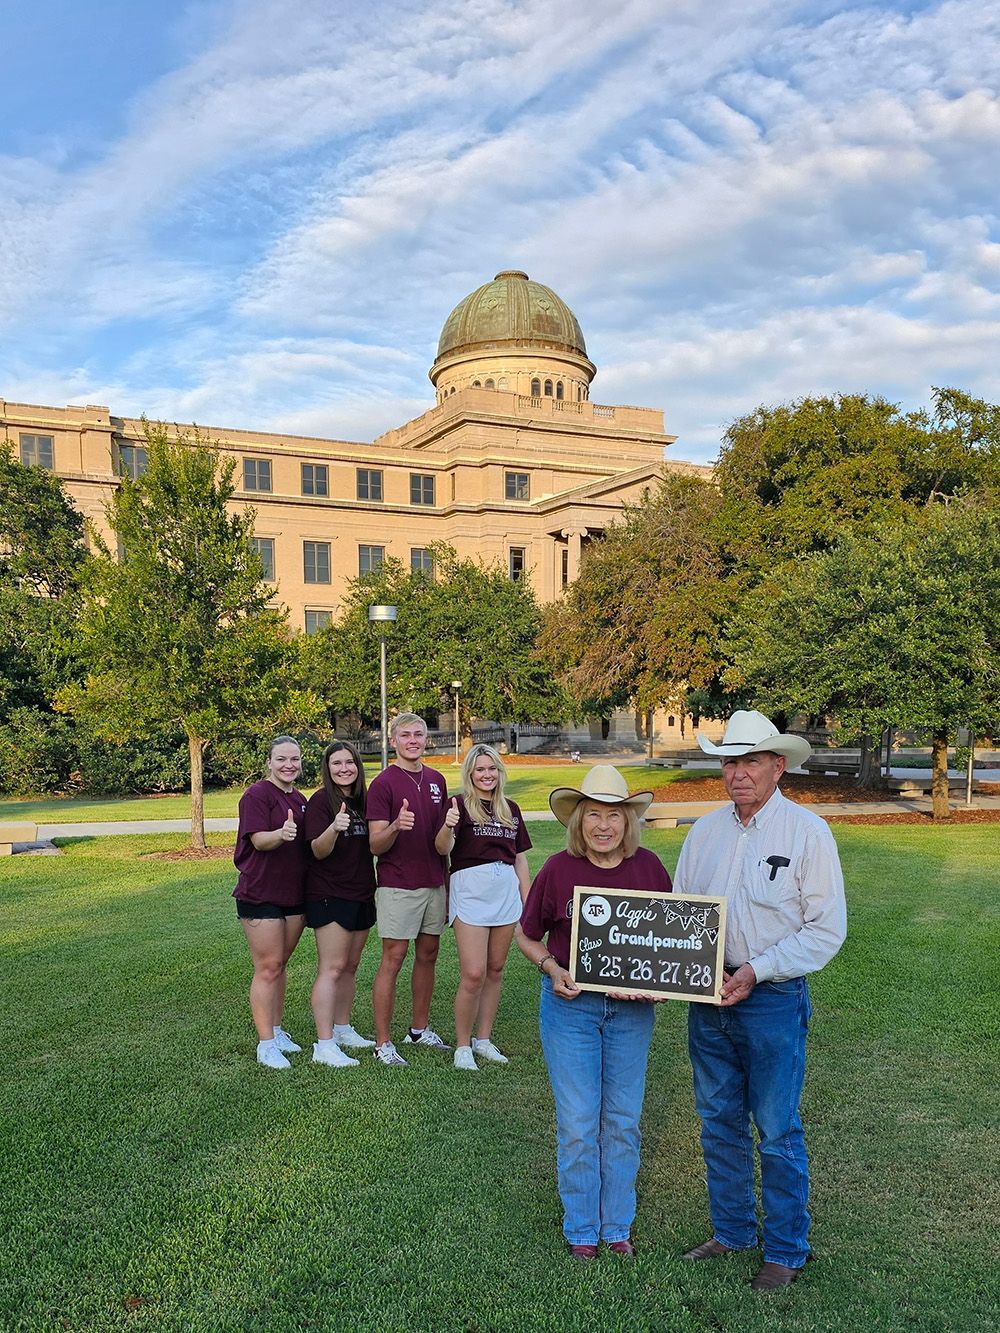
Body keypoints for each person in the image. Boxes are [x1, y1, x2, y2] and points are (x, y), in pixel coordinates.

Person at [673, 710, 847, 1293]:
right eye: (730, 761)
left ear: (778, 766)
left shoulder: (806, 832)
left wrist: (756, 970)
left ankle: (786, 1249)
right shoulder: (704, 833)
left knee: (775, 1128)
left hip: (772, 997)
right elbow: (680, 915)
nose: (738, 773)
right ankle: (732, 1230)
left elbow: (826, 929)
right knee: (718, 1122)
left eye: (751, 761)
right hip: (707, 998)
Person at [517, 765, 671, 1260]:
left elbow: (672, 944)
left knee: (622, 1121)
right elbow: (526, 935)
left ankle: (616, 1224)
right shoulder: (558, 870)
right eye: (594, 816)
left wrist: (663, 983)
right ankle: (582, 1227)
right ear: (578, 822)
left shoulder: (650, 869)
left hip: (631, 1014)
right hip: (571, 1011)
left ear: (629, 822)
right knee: (580, 1122)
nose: (604, 826)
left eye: (615, 816)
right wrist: (550, 967)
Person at [434, 743, 532, 1071]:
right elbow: (441, 848)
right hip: (471, 891)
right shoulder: (458, 806)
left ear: (499, 772)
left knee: (495, 970)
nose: (486, 775)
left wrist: (526, 896)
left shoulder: (511, 809)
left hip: (505, 893)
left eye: (492, 769)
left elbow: (519, 858)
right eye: (480, 769)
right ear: (470, 774)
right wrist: (448, 825)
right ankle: (463, 1046)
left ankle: (484, 1039)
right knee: (473, 973)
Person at [366, 713, 451, 1065]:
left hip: (434, 882)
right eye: (405, 735)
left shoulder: (436, 780)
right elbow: (375, 844)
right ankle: (382, 1043)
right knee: (393, 959)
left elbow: (445, 838)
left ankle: (418, 1029)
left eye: (419, 734)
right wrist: (397, 826)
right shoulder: (383, 783)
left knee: (428, 954)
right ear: (393, 741)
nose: (413, 740)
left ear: (426, 740)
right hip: (398, 884)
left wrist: (447, 883)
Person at [233, 735, 308, 1069]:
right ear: (269, 761)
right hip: (260, 893)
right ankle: (265, 1045)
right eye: (282, 759)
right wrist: (281, 834)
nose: (289, 765)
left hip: (294, 895)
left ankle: (276, 1031)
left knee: (279, 964)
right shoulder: (257, 795)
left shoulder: (301, 799)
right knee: (267, 967)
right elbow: (259, 840)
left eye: (294, 759)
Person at [304, 740, 377, 1069]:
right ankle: (324, 1043)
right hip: (330, 893)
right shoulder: (321, 802)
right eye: (337, 763)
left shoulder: (364, 800)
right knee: (331, 968)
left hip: (362, 891)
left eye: (350, 762)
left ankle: (343, 1029)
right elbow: (317, 850)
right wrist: (334, 828)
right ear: (327, 768)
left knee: (349, 967)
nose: (344, 768)